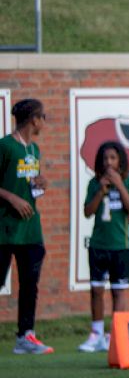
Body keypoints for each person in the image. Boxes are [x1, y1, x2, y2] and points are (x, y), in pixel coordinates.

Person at [78, 141, 129, 353]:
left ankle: (114, 335)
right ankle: (96, 334)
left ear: (120, 161)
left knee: (118, 292)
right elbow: (88, 212)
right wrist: (101, 191)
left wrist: (119, 185)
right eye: (105, 158)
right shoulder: (94, 183)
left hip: (120, 246)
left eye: (113, 158)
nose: (109, 162)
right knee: (96, 289)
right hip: (99, 245)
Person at [0, 99, 52, 354]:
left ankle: (25, 337)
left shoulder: (34, 150)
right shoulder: (5, 146)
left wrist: (39, 185)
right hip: (5, 227)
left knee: (30, 284)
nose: (45, 121)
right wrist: (11, 197)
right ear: (34, 119)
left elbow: (28, 186)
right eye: (44, 116)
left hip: (31, 228)